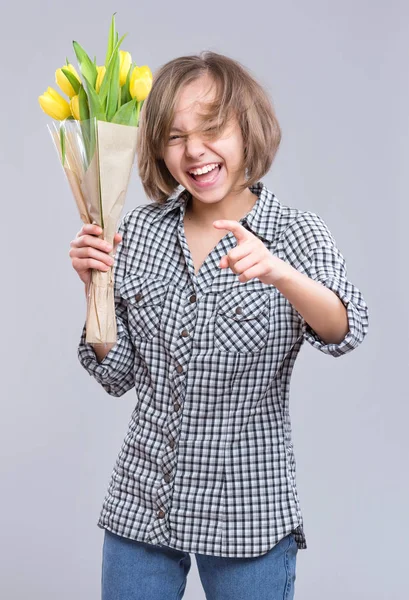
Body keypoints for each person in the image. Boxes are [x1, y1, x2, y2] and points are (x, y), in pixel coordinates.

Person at [69, 51, 369, 600]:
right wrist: (96, 292)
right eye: (175, 136)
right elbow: (119, 376)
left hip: (246, 510)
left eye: (212, 129)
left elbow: (345, 329)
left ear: (246, 129)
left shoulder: (293, 233)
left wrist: (279, 273)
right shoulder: (139, 229)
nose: (195, 151)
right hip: (144, 504)